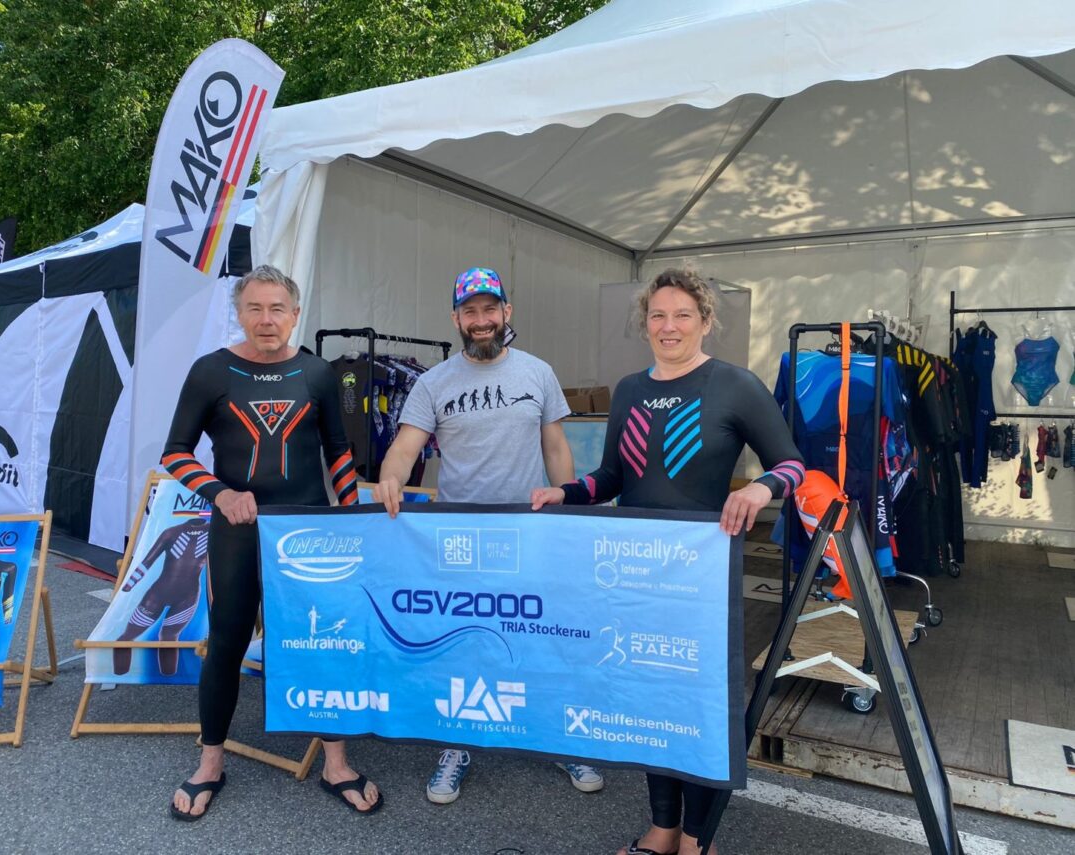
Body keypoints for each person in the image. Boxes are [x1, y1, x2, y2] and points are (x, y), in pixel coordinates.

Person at [531, 268, 805, 855]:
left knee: (697, 706)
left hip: (700, 582)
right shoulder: (629, 389)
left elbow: (791, 465)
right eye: (658, 315)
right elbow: (611, 477)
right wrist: (566, 492)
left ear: (705, 321)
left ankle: (698, 839)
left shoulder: (735, 385)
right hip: (636, 580)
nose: (669, 326)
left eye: (683, 314)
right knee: (649, 701)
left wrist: (762, 489)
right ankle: (663, 827)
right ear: (645, 323)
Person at [372, 266, 605, 804]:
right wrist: (389, 479)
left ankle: (553, 736)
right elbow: (405, 448)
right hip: (461, 537)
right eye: (470, 311)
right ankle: (457, 744)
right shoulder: (433, 383)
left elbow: (555, 446)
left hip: (529, 530)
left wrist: (568, 502)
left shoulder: (538, 373)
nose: (481, 320)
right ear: (456, 319)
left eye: (489, 309)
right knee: (465, 640)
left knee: (538, 635)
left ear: (506, 312)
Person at [161, 265, 381, 820]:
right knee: (227, 643)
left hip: (309, 536)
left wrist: (350, 519)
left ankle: (336, 764)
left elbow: (339, 452)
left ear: (295, 314)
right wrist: (221, 493)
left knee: (321, 644)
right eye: (255, 308)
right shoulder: (211, 371)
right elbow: (175, 453)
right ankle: (210, 763)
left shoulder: (317, 372)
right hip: (237, 532)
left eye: (277, 308)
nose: (266, 319)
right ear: (239, 313)